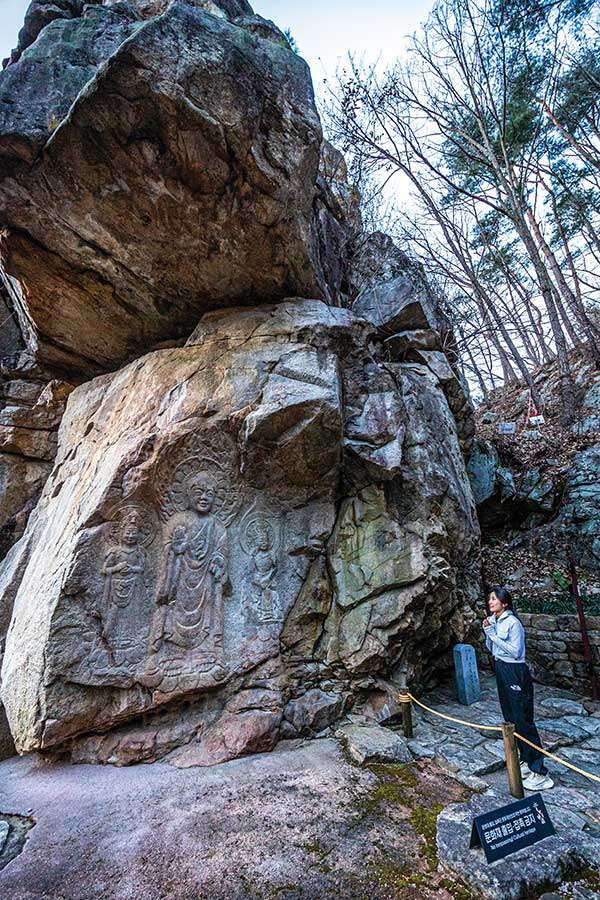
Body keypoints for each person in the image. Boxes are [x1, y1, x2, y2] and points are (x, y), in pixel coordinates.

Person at [483, 587, 554, 791]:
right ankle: (523, 760)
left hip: (514, 670)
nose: (491, 602)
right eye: (490, 599)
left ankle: (538, 770)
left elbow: (515, 652)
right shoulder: (496, 621)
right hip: (501, 667)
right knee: (510, 717)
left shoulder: (513, 623)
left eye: (494, 599)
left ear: (505, 603)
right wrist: (489, 633)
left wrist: (493, 635)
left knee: (523, 719)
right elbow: (492, 648)